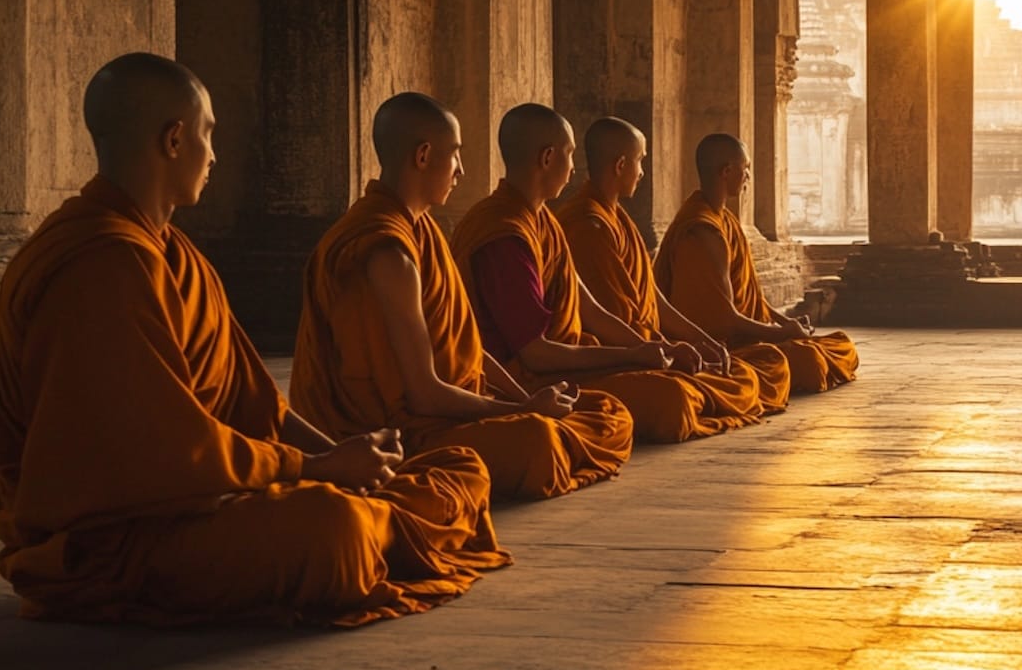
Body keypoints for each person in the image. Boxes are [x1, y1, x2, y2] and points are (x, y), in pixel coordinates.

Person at [0, 54, 509, 628]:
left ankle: (375, 514)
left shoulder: (178, 258)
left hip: (212, 496)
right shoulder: (102, 264)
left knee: (458, 468)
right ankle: (371, 521)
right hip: (116, 534)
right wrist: (315, 470)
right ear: (175, 139)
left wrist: (334, 459)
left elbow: (254, 403)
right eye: (210, 136)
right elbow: (161, 453)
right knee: (336, 530)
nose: (216, 155)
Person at [289, 92, 634, 501]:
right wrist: (521, 413)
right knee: (537, 442)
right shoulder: (386, 251)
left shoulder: (425, 233)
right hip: (388, 434)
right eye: (455, 155)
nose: (461, 171)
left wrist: (525, 400)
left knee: (608, 414)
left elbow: (468, 348)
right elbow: (424, 392)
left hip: (449, 409)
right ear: (422, 156)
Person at [449, 104, 758, 443]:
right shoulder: (507, 233)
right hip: (530, 376)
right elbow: (535, 353)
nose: (573, 168)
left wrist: (656, 348)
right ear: (548, 158)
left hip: (566, 364)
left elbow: (590, 309)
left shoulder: (545, 224)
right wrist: (634, 354)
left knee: (724, 378)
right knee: (670, 399)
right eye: (569, 155)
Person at [556, 117, 788, 414]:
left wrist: (701, 343)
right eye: (640, 161)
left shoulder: (620, 222)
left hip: (647, 348)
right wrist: (661, 350)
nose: (642, 172)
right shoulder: (588, 227)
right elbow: (604, 319)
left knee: (749, 373)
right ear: (620, 165)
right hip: (614, 355)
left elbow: (654, 300)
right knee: (677, 400)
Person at [656, 133, 858, 395]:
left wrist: (784, 323)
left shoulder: (726, 221)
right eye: (746, 168)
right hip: (718, 344)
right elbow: (721, 320)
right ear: (727, 171)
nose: (749, 176)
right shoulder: (701, 232)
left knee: (841, 345)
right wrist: (780, 334)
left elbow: (752, 300)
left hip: (745, 336)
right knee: (809, 363)